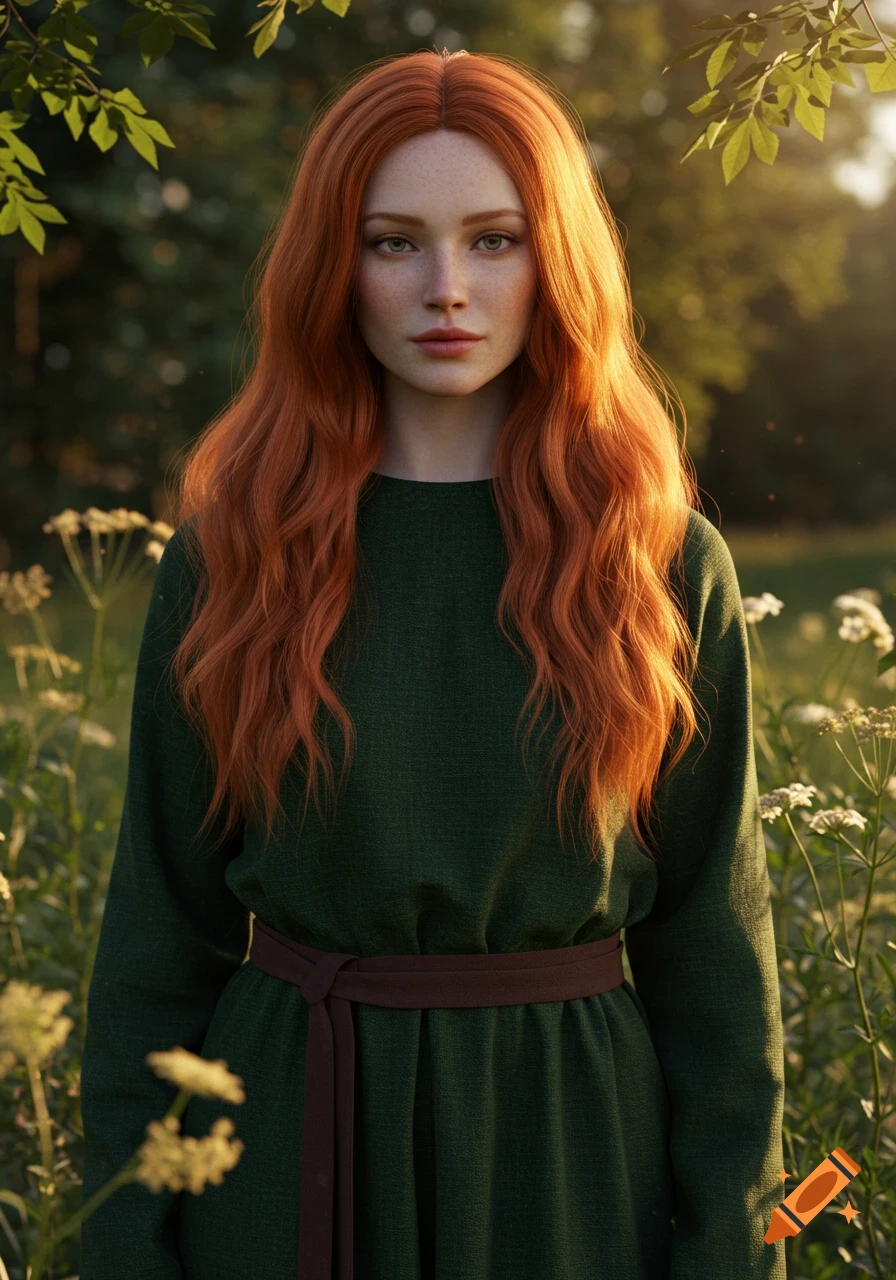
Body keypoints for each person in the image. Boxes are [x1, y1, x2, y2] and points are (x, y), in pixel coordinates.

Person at [79, 48, 787, 1280]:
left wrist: (730, 1244)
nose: (446, 288)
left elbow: (718, 963)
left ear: (553, 257)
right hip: (283, 1146)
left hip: (568, 1160)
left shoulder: (660, 562)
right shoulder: (231, 558)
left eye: (495, 240)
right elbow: (156, 940)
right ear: (331, 266)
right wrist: (128, 1241)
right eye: (394, 241)